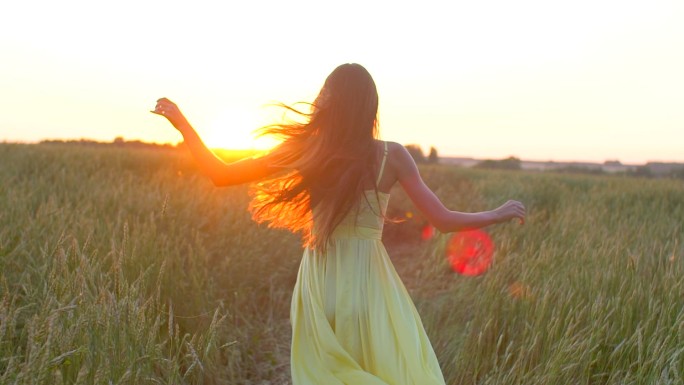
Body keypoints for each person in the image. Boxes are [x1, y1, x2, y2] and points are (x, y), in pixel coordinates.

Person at [152, 63, 525, 384]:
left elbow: (220, 174)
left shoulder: (309, 149)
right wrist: (496, 213)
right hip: (367, 282)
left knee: (326, 373)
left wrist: (184, 125)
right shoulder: (391, 155)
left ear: (327, 102)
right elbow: (441, 220)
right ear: (370, 106)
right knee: (385, 368)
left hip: (320, 280)